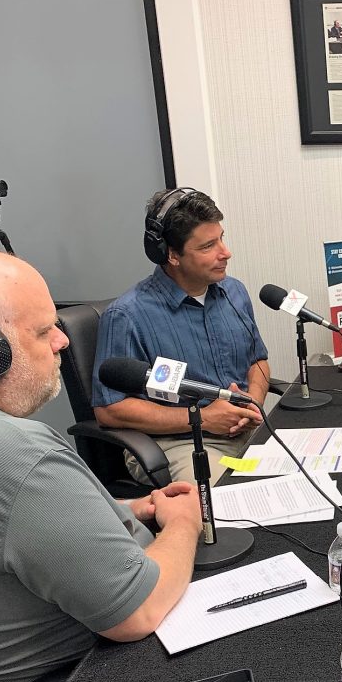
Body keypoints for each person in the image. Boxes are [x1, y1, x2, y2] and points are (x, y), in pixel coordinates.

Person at [0, 248, 203, 682]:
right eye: (43, 330)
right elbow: (138, 612)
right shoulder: (13, 454)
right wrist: (184, 521)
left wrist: (126, 508)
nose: (62, 342)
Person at [92, 189, 270, 485]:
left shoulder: (234, 292)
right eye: (208, 246)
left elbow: (258, 361)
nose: (225, 252)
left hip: (247, 429)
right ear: (171, 255)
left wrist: (254, 400)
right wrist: (203, 418)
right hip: (180, 443)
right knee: (228, 500)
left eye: (221, 238)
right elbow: (110, 410)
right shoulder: (126, 316)